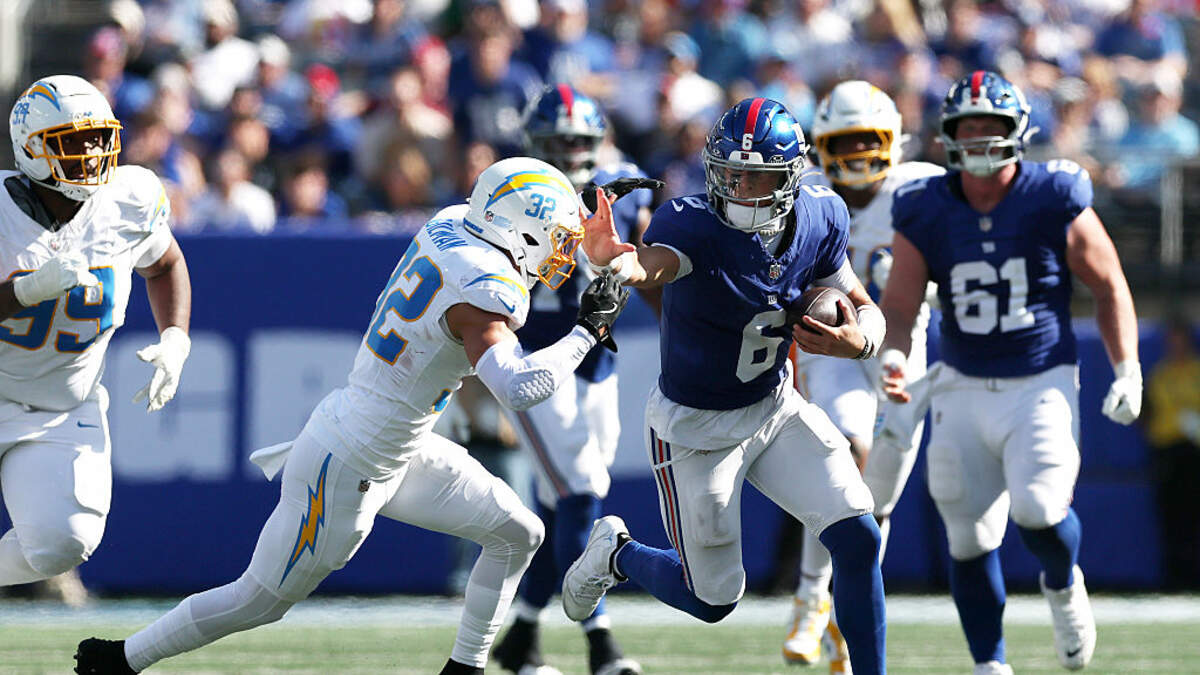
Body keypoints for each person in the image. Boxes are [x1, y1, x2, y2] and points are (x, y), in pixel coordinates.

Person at [72, 157, 631, 675]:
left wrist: (580, 217)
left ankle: (465, 669)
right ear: (519, 229)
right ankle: (120, 660)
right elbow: (518, 385)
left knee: (518, 533)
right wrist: (588, 330)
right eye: (555, 239)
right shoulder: (484, 289)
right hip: (348, 463)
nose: (559, 255)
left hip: (397, 443)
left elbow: (509, 225)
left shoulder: (457, 223)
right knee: (258, 599)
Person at [562, 97, 888, 675]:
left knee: (859, 535)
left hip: (775, 408)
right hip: (695, 429)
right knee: (714, 600)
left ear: (790, 177)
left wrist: (860, 341)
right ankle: (619, 554)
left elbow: (861, 304)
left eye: (757, 176)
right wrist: (617, 262)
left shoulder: (820, 214)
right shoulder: (693, 222)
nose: (740, 188)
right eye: (731, 172)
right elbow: (651, 265)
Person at [879, 71, 1141, 674]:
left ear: (1017, 130)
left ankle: (1062, 581)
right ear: (948, 135)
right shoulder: (925, 206)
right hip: (961, 383)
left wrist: (1128, 368)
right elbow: (900, 305)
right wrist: (892, 355)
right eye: (967, 126)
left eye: (989, 126)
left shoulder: (1053, 193)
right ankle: (989, 664)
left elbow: (1109, 284)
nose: (978, 137)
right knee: (966, 536)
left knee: (1040, 509)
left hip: (1039, 379)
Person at [0, 75, 192, 593]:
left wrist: (176, 337)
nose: (92, 153)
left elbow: (165, 263)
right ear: (33, 149)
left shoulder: (128, 198)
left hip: (61, 405)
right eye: (74, 141)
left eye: (99, 138)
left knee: (64, 542)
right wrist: (25, 290)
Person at [492, 84, 659, 675]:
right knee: (582, 491)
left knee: (563, 502)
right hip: (538, 363)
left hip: (597, 363)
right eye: (558, 142)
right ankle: (600, 643)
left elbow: (643, 256)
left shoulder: (620, 186)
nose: (569, 152)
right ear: (535, 143)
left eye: (578, 141)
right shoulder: (511, 193)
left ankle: (521, 636)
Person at [782, 80, 944, 672]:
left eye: (865, 139)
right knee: (844, 458)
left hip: (900, 352)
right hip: (831, 349)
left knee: (875, 507)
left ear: (892, 139)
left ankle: (844, 622)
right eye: (843, 141)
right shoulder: (807, 196)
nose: (855, 154)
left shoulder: (921, 189)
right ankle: (809, 596)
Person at [1142, 316, 1200, 590]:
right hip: (1167, 451)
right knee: (1171, 515)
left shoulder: (1197, 371)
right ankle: (1174, 578)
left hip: (1195, 451)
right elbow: (1146, 412)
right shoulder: (1159, 374)